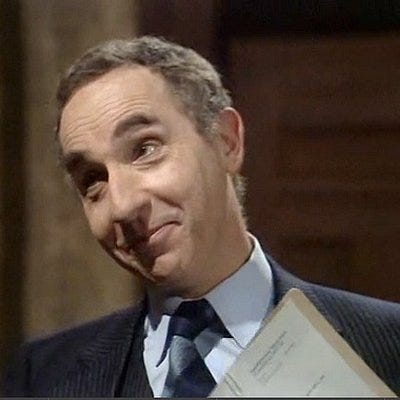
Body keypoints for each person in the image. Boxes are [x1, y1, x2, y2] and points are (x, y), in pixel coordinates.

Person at [4, 36, 400, 397]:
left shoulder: (387, 344)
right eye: (93, 180)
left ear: (226, 141)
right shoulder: (40, 377)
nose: (122, 206)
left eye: (145, 149)